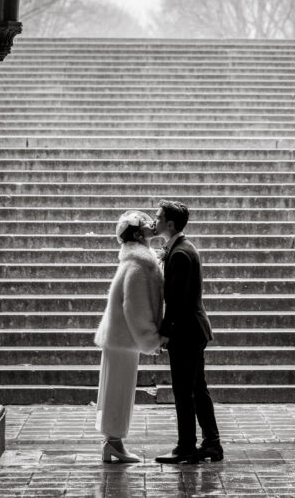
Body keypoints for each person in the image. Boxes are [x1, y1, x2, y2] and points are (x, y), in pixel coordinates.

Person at [153, 199, 223, 464]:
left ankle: (186, 448)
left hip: (186, 332)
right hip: (193, 330)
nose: (154, 221)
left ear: (169, 224)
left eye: (158, 217)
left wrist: (165, 333)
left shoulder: (180, 253)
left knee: (184, 392)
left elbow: (177, 301)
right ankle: (212, 444)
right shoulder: (182, 247)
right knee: (196, 388)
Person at [93, 210, 164, 463]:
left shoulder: (135, 261)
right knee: (119, 392)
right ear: (136, 233)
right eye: (144, 223)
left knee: (116, 389)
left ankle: (112, 444)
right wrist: (152, 339)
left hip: (119, 338)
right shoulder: (137, 264)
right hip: (123, 339)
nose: (150, 224)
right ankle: (114, 444)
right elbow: (135, 308)